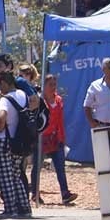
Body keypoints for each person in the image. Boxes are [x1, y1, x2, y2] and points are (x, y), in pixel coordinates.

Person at [0, 72, 33, 218]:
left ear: (4, 83)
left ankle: (10, 209)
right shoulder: (22, 95)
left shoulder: (5, 100)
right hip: (18, 140)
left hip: (4, 140)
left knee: (5, 177)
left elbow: (2, 119)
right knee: (16, 175)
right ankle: (25, 207)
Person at [31, 75, 78, 205]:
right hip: (41, 138)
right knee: (37, 166)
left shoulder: (58, 100)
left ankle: (65, 193)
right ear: (44, 85)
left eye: (54, 84)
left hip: (55, 137)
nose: (53, 87)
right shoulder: (39, 101)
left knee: (60, 167)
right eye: (50, 84)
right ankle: (35, 193)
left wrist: (62, 137)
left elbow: (60, 121)